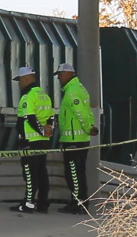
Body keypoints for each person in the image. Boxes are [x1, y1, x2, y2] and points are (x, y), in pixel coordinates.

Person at [54, 63, 99, 215]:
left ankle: (76, 203)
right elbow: (88, 112)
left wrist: (88, 127)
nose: (59, 78)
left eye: (60, 74)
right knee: (79, 172)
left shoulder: (72, 92)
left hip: (73, 139)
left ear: (68, 73)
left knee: (73, 172)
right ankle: (82, 202)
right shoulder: (80, 89)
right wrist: (90, 127)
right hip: (80, 138)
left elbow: (80, 113)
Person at [9, 66, 54, 214]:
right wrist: (48, 131)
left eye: (20, 80)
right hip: (43, 142)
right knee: (42, 172)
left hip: (29, 141)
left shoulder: (28, 96)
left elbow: (29, 118)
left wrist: (40, 131)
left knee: (29, 173)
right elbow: (51, 117)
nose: (19, 83)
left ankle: (28, 204)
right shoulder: (45, 95)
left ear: (27, 78)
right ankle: (43, 203)